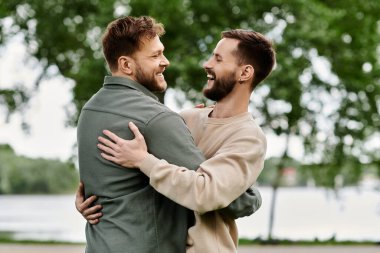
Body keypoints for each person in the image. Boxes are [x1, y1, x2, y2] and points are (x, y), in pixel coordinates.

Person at [79, 28, 276, 252]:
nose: (207, 64)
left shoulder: (249, 137)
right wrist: (99, 200)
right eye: (211, 55)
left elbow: (206, 192)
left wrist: (143, 160)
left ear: (245, 73)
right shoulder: (187, 118)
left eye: (218, 59)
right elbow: (151, 182)